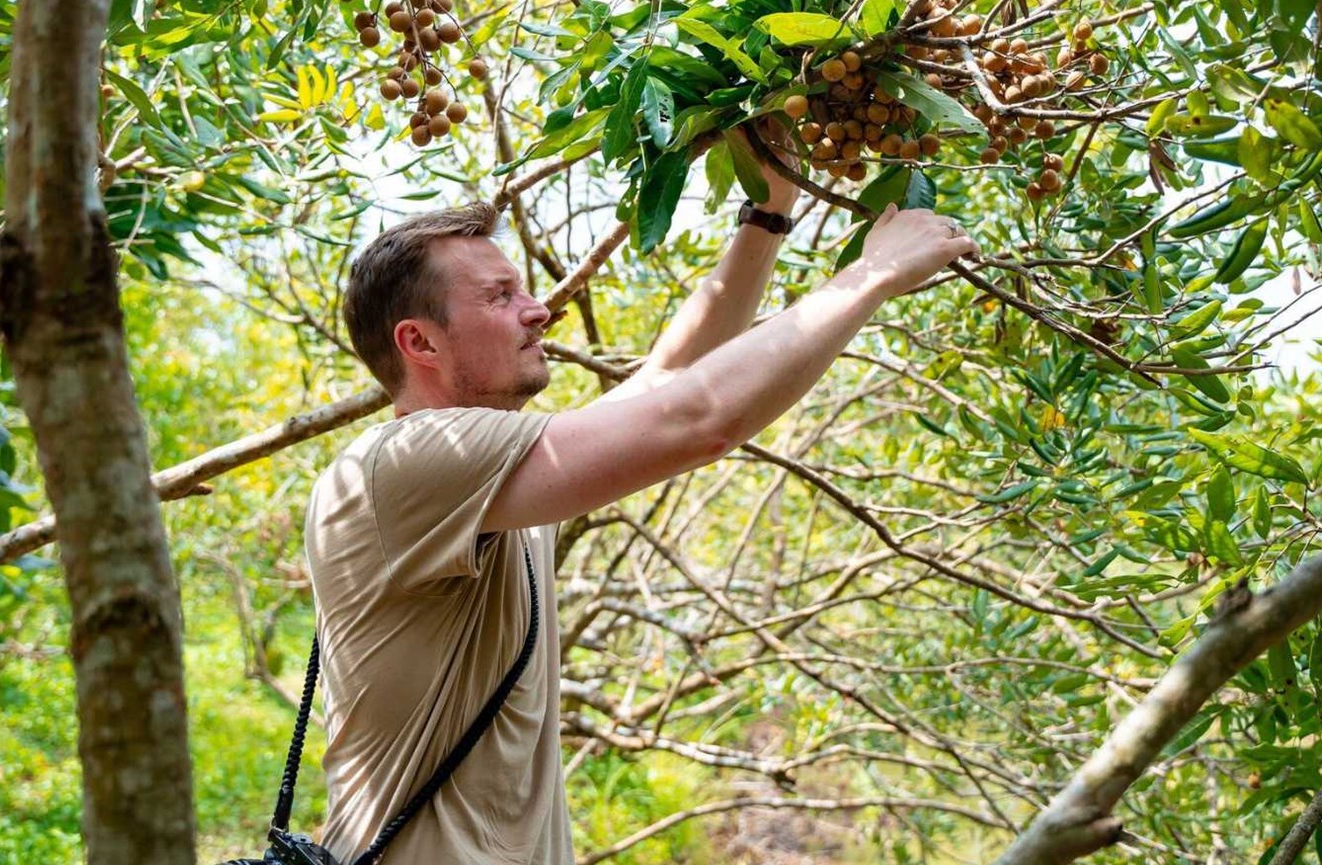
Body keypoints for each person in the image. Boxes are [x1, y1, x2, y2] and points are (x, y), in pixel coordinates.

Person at [301, 142, 978, 864]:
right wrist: (871, 274)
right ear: (420, 342)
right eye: (500, 296)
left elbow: (666, 377)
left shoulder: (483, 479)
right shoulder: (405, 467)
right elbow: (696, 417)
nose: (540, 311)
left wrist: (768, 212)